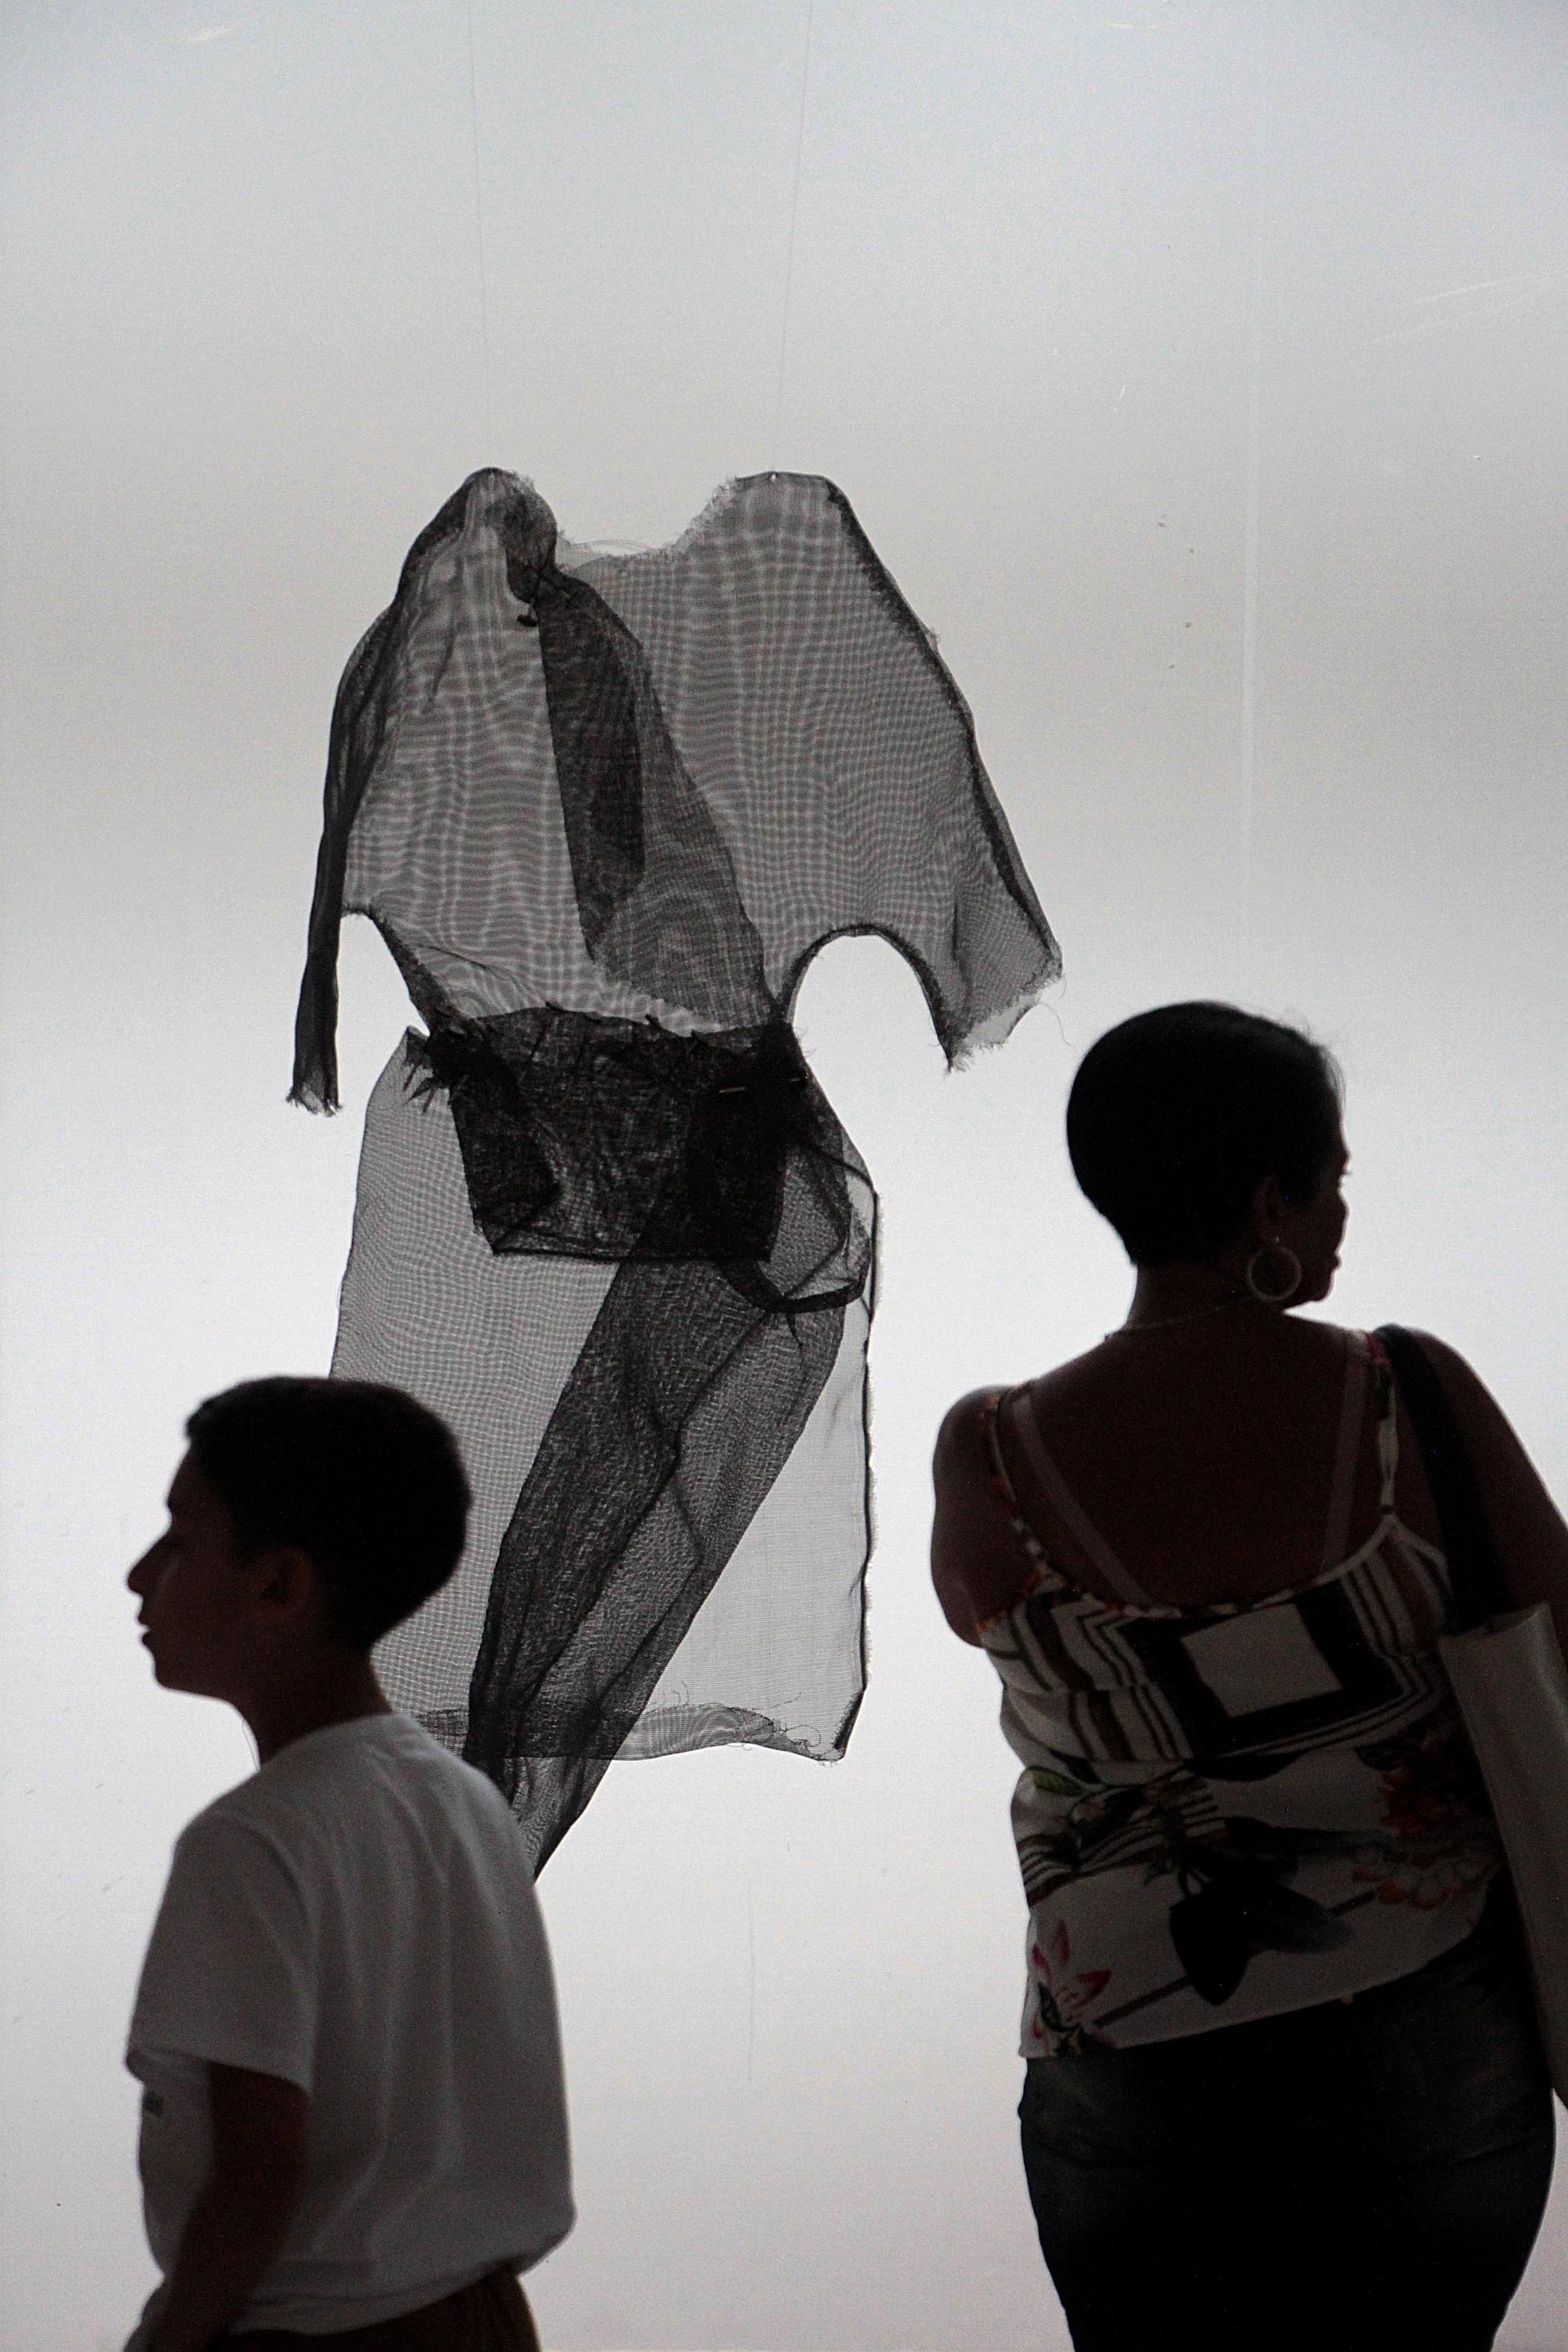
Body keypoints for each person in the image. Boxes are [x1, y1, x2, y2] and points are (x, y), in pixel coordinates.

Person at [931, 1001, 1559, 2352]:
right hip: (1421, 2044)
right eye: (1333, 1183)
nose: (1343, 1218)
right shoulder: (1403, 1399)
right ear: (1272, 1201)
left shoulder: (987, 1453)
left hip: (1124, 2069)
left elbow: (979, 1622)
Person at [122, 1377, 573, 2352]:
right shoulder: (467, 1804)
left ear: (278, 1586)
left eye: (179, 1541)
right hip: (488, 2324)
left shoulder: (248, 1842)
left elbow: (256, 2176)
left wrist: (165, 2341)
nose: (137, 1575)